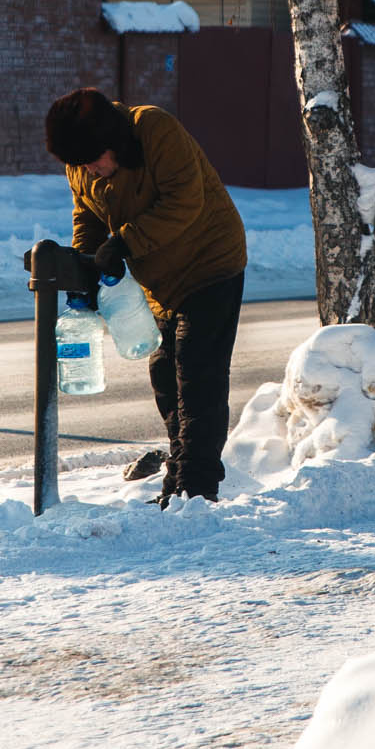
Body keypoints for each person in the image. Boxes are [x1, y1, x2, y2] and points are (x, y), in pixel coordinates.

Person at [44, 87, 247, 503]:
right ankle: (179, 479)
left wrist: (125, 243)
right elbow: (86, 214)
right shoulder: (82, 165)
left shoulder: (154, 130)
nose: (91, 170)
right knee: (165, 381)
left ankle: (197, 489)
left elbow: (184, 201)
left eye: (93, 159)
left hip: (210, 264)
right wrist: (87, 261)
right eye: (81, 164)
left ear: (112, 140)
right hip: (159, 283)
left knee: (197, 379)